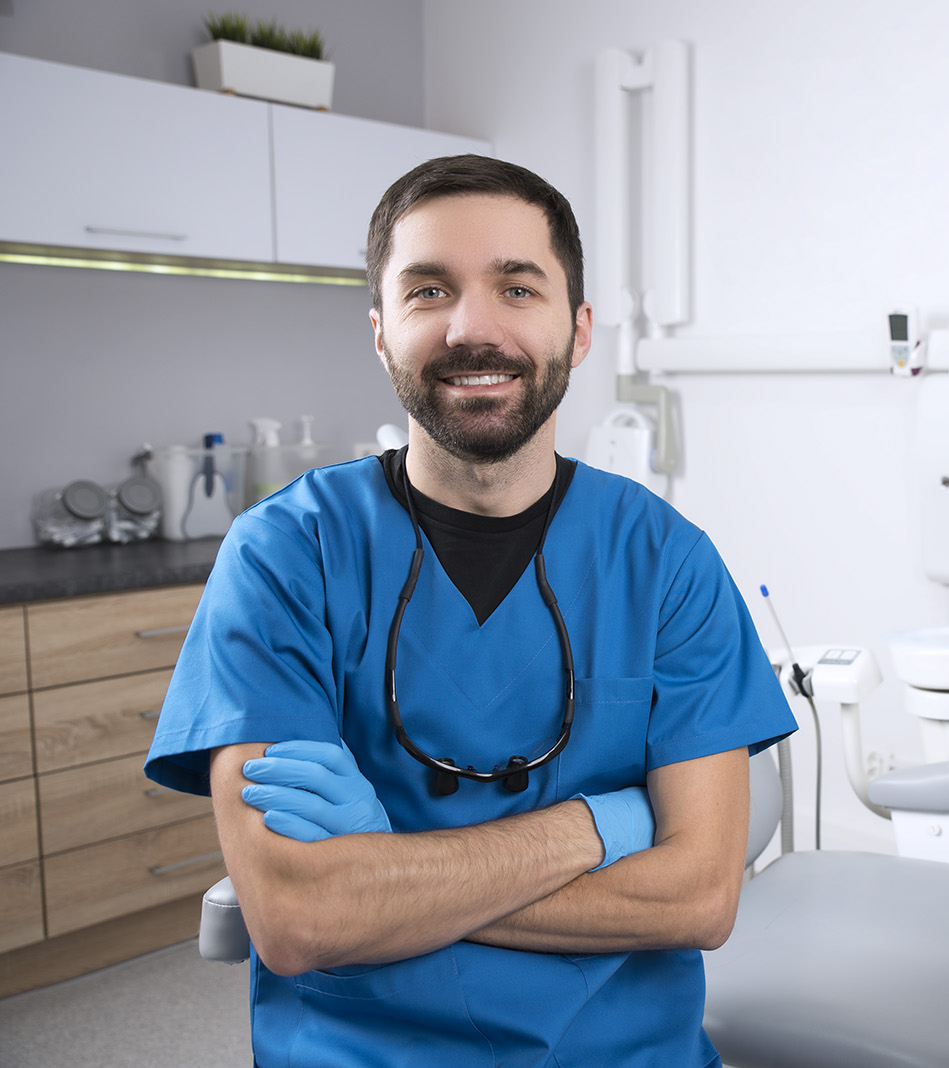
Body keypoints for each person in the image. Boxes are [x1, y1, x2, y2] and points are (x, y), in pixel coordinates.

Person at [145, 154, 796, 1067]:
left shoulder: (664, 561)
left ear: (578, 329)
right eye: (428, 290)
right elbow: (300, 917)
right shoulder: (286, 556)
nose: (470, 328)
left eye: (517, 288)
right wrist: (604, 827)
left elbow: (697, 898)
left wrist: (389, 864)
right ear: (381, 332)